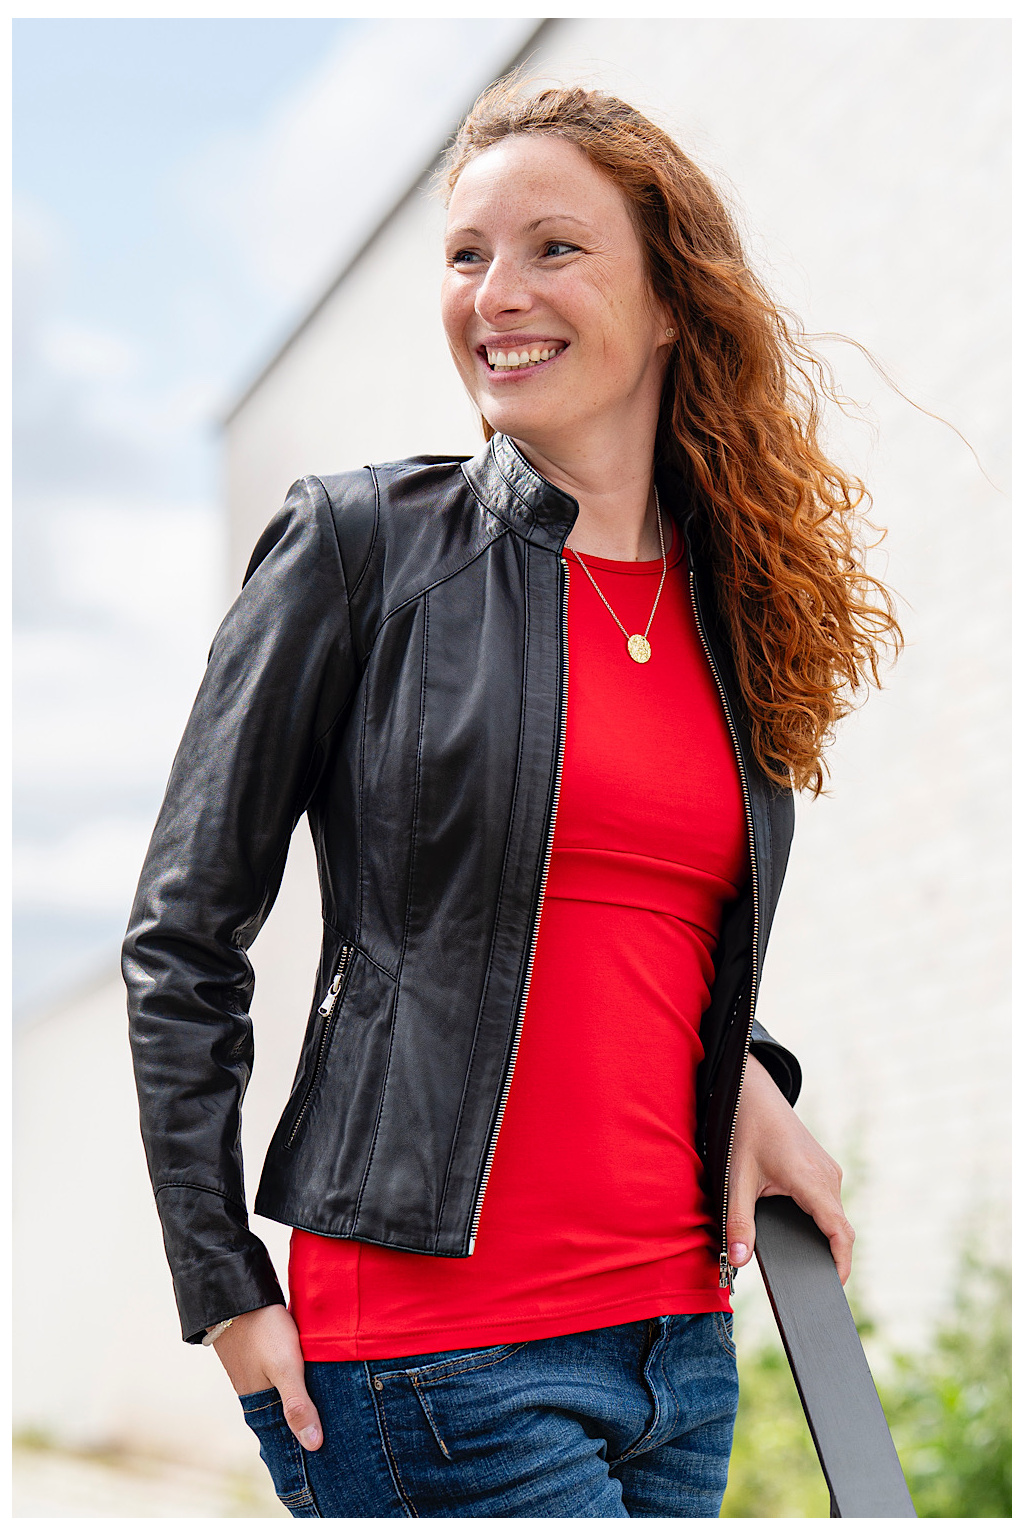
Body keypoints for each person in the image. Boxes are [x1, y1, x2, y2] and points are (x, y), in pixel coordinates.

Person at [124, 80, 901, 1518]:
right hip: (433, 1360)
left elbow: (628, 930)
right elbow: (182, 935)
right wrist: (219, 1282)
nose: (497, 294)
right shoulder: (363, 548)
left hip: (679, 1348)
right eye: (467, 254)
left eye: (555, 248)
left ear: (670, 303)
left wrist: (746, 1074)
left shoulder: (731, 608)